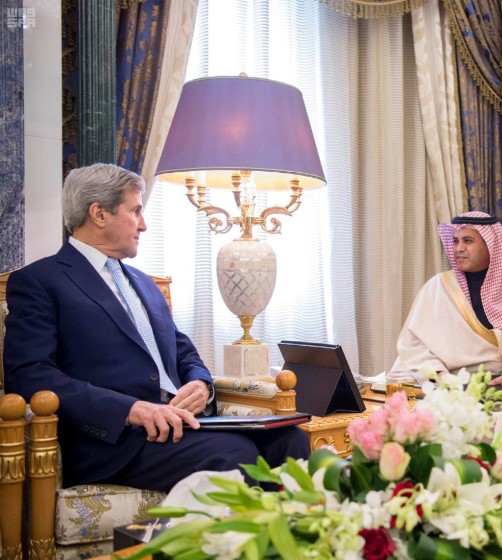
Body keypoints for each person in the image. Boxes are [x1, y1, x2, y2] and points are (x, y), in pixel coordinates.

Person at [3, 163, 310, 493]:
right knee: (236, 455)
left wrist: (200, 383)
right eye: (135, 211)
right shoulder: (40, 282)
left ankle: (290, 543)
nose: (144, 225)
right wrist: (131, 410)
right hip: (115, 441)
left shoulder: (145, 283)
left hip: (182, 425)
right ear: (99, 214)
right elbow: (29, 373)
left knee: (289, 441)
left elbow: (184, 352)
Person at [388, 211, 502, 397]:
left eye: (467, 241)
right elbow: (415, 346)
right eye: (455, 241)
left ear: (491, 245)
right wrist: (441, 377)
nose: (459, 248)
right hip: (448, 388)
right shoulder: (438, 288)